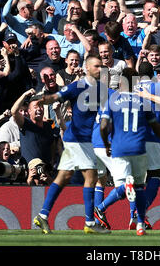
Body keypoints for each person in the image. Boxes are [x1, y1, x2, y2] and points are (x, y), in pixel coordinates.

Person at [33, 55, 111, 234]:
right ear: (87, 68)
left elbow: (105, 115)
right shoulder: (78, 86)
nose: (100, 69)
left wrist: (105, 140)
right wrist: (44, 99)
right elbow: (57, 96)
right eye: (96, 66)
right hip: (77, 139)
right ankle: (90, 223)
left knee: (63, 177)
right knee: (91, 177)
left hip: (82, 139)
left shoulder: (101, 89)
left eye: (101, 66)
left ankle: (42, 216)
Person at [99, 67, 160, 235]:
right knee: (153, 178)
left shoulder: (116, 97)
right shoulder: (159, 86)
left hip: (130, 141)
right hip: (152, 140)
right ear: (153, 74)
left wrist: (106, 142)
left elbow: (105, 124)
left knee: (131, 183)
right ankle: (139, 217)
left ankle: (130, 215)